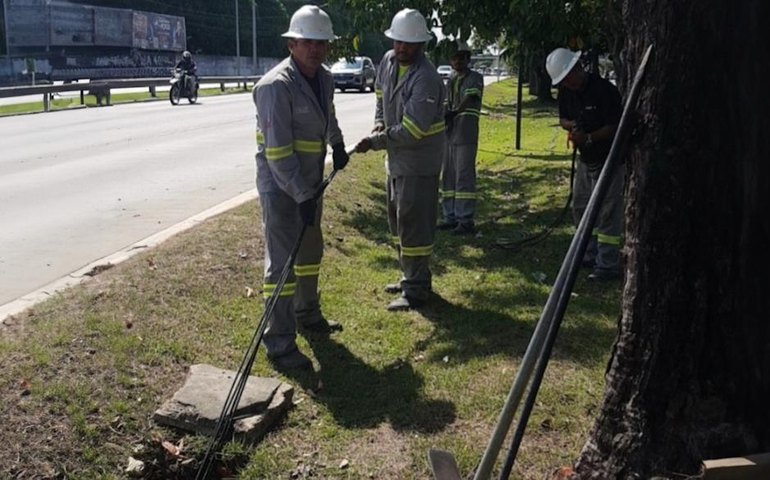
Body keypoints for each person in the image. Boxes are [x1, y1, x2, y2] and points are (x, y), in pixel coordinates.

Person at [252, 5, 349, 370]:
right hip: (281, 188)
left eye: (321, 43)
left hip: (310, 184)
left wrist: (337, 143)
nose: (315, 49)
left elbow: (328, 114)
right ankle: (279, 342)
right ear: (292, 44)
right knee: (281, 264)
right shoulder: (275, 87)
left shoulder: (324, 78)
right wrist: (302, 195)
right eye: (307, 42)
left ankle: (308, 312)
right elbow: (278, 154)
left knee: (310, 251)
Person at [354, 8, 445, 311]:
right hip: (396, 161)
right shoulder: (388, 61)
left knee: (415, 225)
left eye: (408, 43)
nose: (401, 48)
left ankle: (417, 289)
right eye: (398, 41)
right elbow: (380, 96)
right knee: (398, 221)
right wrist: (379, 122)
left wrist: (375, 141)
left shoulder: (427, 78)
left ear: (421, 44)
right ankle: (409, 276)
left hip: (419, 164)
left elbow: (413, 130)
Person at [546, 47, 624, 281]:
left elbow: (614, 126)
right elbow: (562, 119)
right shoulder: (567, 92)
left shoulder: (604, 90)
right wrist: (572, 126)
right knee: (581, 207)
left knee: (608, 212)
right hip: (585, 159)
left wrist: (589, 137)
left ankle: (607, 264)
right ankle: (587, 254)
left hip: (609, 159)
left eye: (567, 78)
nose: (565, 84)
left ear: (577, 68)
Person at [439, 40, 484, 235]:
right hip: (450, 133)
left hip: (466, 132)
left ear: (468, 58)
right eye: (454, 57)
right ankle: (450, 217)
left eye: (461, 57)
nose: (457, 61)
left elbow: (469, 98)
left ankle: (465, 220)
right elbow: (446, 103)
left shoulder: (475, 78)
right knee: (448, 176)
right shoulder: (451, 79)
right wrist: (444, 115)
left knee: (464, 176)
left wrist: (455, 112)